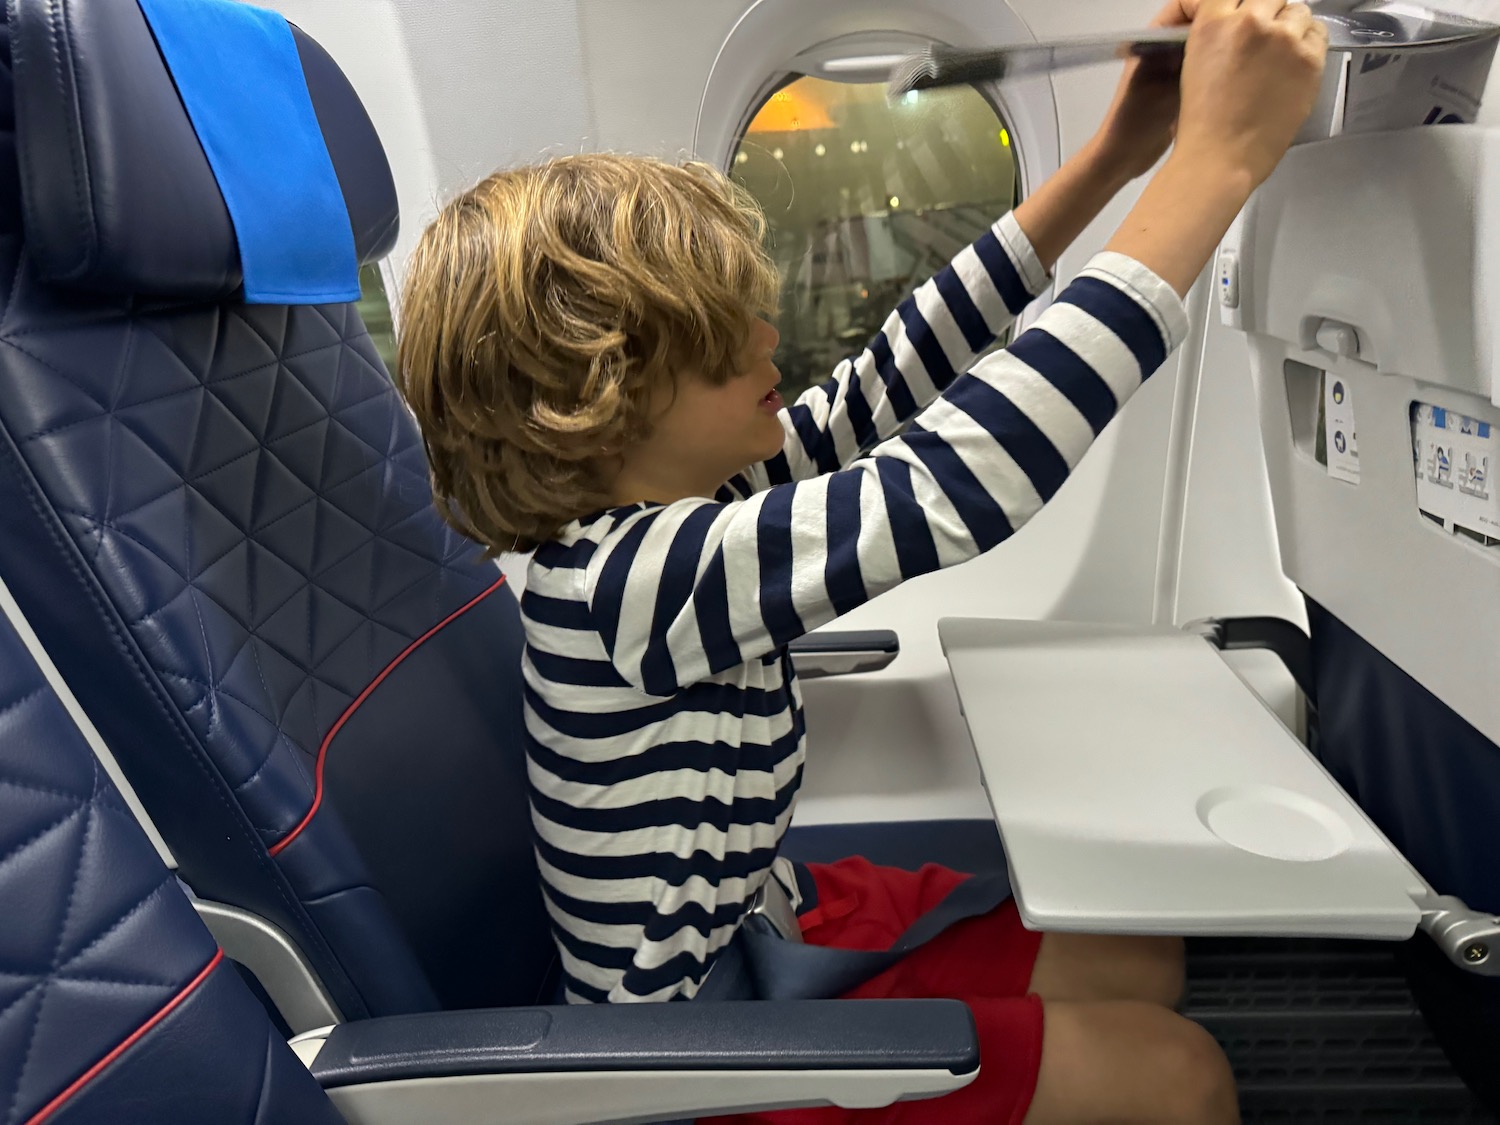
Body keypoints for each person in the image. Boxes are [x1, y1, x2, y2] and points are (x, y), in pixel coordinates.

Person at [395, 0, 1327, 1120]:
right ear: (600, 404)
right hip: (693, 1055)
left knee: (1138, 959)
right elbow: (954, 484)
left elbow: (893, 377)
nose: (766, 340)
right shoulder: (631, 585)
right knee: (1179, 1079)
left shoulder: (678, 506)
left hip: (767, 923)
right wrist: (1220, 164)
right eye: (718, 334)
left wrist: (1120, 156)